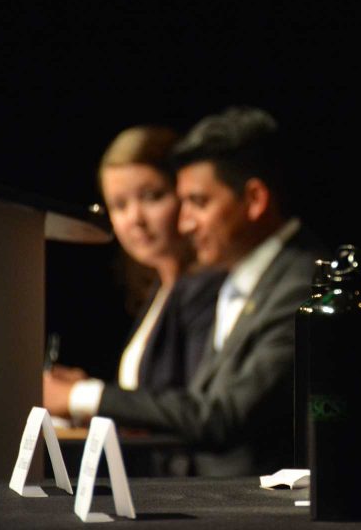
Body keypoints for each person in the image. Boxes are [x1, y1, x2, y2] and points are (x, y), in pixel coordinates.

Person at [45, 107, 328, 476]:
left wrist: (83, 396)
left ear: (255, 200)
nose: (184, 222)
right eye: (119, 204)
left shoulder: (304, 284)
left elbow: (223, 415)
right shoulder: (245, 279)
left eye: (198, 202)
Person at [44, 126, 224, 405]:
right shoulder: (159, 290)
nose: (135, 218)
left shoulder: (210, 289)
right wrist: (88, 389)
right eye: (119, 205)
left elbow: (191, 409)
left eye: (152, 196)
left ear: (186, 195)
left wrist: (81, 397)